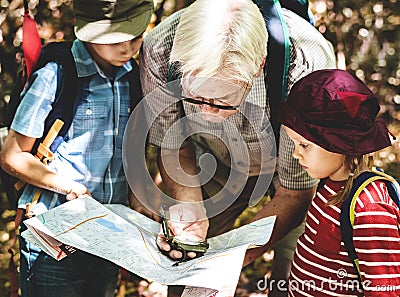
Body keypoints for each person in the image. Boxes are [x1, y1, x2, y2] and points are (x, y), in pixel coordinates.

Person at [135, 0, 336, 293]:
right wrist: (189, 207)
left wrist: (232, 258)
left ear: (258, 66)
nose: (206, 114)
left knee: (298, 272)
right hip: (214, 160)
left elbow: (295, 191)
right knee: (187, 265)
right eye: (195, 98)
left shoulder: (307, 64)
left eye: (222, 102)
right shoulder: (159, 50)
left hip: (293, 164)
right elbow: (174, 144)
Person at [0, 0, 153, 296]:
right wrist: (66, 185)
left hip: (110, 233)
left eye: (135, 37)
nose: (128, 49)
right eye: (116, 41)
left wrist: (143, 205)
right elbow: (12, 155)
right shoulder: (57, 72)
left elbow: (127, 156)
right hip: (53, 233)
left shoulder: (131, 77)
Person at [277, 69, 400, 296]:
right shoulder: (327, 185)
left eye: (304, 145)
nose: (295, 154)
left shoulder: (369, 208)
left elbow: (385, 290)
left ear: (341, 144)